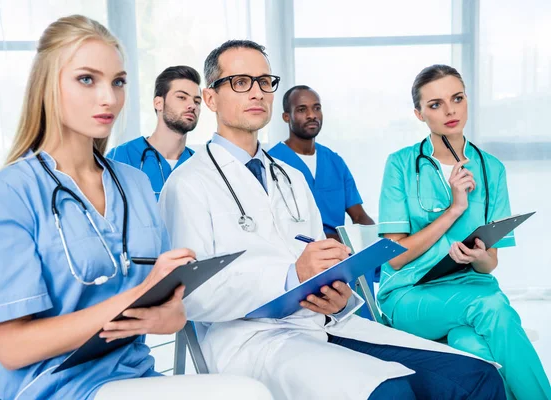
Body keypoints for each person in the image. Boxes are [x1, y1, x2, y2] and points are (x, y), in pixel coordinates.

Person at [159, 40, 506, 400]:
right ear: (211, 98)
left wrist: (338, 296)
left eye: (265, 81)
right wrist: (293, 276)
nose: (257, 92)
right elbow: (191, 297)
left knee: (477, 377)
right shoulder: (188, 184)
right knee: (391, 392)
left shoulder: (289, 176)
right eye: (241, 82)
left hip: (322, 322)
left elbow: (318, 259)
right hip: (252, 341)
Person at [0, 16, 271, 400]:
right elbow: (12, 348)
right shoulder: (6, 194)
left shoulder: (135, 185)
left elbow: (175, 314)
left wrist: (164, 314)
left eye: (118, 82)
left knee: (250, 391)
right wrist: (130, 299)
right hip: (51, 389)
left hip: (135, 380)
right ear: (47, 85)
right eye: (87, 79)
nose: (109, 98)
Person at [377, 64, 551, 400]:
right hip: (409, 294)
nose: (450, 110)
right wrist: (455, 208)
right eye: (435, 104)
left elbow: (490, 265)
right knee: (492, 306)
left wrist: (481, 256)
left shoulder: (492, 168)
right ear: (419, 113)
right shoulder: (400, 164)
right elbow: (395, 259)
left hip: (470, 286)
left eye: (457, 98)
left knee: (477, 353)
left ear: (467, 100)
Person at [268, 85, 377, 319]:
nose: (311, 115)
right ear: (286, 116)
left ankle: (368, 333)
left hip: (340, 250)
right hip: (298, 251)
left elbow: (359, 216)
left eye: (316, 108)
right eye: (302, 109)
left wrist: (377, 241)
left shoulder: (334, 161)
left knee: (365, 266)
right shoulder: (272, 163)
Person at [107, 65, 201, 200]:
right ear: (158, 103)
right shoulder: (121, 157)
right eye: (181, 97)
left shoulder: (200, 164)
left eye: (197, 101)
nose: (192, 105)